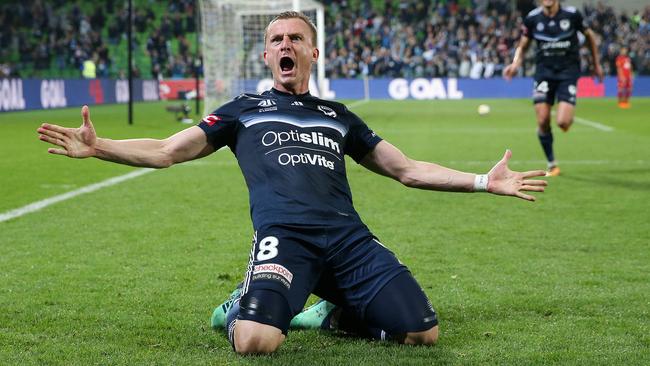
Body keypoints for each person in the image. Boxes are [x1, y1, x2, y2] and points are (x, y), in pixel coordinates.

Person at [37, 11, 547, 355]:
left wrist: (484, 180)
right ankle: (245, 301)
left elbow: (406, 169)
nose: (285, 45)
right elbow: (169, 150)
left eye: (295, 39)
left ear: (313, 53)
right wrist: (99, 147)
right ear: (266, 57)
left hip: (348, 240)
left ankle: (330, 314)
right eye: (276, 40)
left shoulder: (338, 116)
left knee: (422, 332)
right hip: (286, 239)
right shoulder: (242, 111)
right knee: (256, 342)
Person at [503, 0, 603, 177]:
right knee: (542, 120)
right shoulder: (533, 18)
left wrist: (596, 64)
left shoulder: (572, 15)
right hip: (544, 73)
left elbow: (590, 38)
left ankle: (566, 116)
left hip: (568, 73)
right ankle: (552, 163)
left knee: (563, 122)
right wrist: (515, 64)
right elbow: (523, 45)